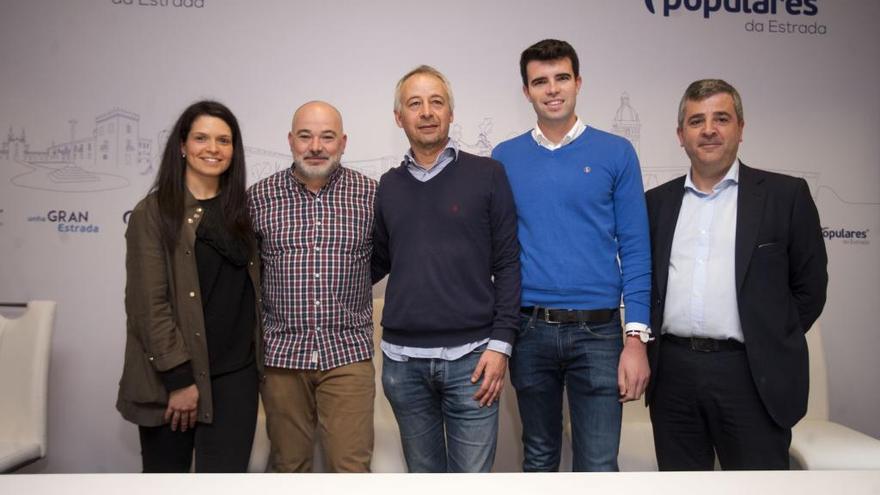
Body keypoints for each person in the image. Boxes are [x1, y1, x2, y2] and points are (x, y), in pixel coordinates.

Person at [645, 79, 828, 470]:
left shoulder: (785, 196)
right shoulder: (656, 203)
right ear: (681, 135)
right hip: (673, 374)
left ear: (740, 128)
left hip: (751, 375)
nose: (708, 129)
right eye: (696, 121)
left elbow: (810, 288)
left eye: (721, 118)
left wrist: (769, 337)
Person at [491, 39, 652, 472]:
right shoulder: (504, 158)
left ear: (578, 82)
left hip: (599, 334)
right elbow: (498, 252)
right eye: (539, 81)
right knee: (539, 457)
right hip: (529, 330)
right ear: (526, 91)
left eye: (561, 77)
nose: (552, 89)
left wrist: (636, 340)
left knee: (598, 464)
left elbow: (636, 249)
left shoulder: (616, 152)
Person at [372, 65, 521, 473]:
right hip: (402, 364)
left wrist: (501, 344)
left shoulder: (488, 174)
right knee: (424, 481)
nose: (426, 112)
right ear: (398, 117)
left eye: (436, 102)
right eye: (414, 103)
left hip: (473, 361)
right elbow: (378, 261)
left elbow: (508, 263)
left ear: (451, 113)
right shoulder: (388, 185)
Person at [117, 100, 261, 472]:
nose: (213, 149)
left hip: (236, 378)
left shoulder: (245, 212)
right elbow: (148, 307)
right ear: (182, 146)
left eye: (223, 140)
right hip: (174, 379)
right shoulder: (154, 213)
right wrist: (180, 381)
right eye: (201, 138)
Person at [248, 101, 377, 472]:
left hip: (347, 355)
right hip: (281, 358)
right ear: (291, 140)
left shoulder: (372, 196)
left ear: (343, 142)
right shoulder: (258, 198)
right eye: (305, 136)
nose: (316, 146)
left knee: (351, 470)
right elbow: (249, 275)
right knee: (289, 468)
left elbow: (384, 258)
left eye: (327, 137)